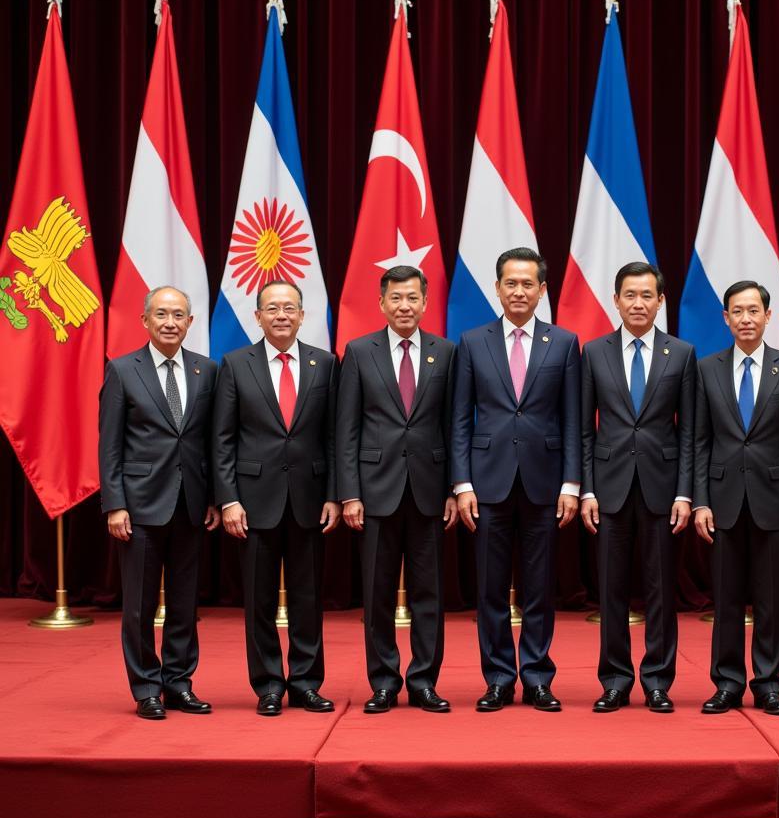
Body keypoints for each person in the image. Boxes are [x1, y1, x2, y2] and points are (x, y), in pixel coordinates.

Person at [452, 247, 581, 712]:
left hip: (546, 484)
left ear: (542, 290)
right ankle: (499, 679)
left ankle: (538, 676)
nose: (519, 291)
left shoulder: (564, 343)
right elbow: (460, 421)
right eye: (511, 283)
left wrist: (572, 484)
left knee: (539, 586)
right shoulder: (472, 341)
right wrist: (462, 484)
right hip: (487, 485)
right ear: (498, 287)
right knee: (489, 587)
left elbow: (572, 419)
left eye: (529, 284)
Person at [213, 280, 340, 716]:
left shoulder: (325, 364)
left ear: (303, 315)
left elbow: (334, 436)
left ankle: (306, 683)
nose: (281, 315)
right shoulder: (234, 364)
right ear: (258, 316)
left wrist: (335, 495)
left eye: (290, 308)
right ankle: (267, 684)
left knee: (307, 600)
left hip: (309, 499)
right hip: (253, 501)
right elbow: (222, 439)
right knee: (259, 601)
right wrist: (228, 498)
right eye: (272, 308)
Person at [338, 266, 458, 713]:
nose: (404, 306)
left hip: (429, 491)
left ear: (425, 304)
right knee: (378, 593)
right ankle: (384, 682)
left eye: (413, 298)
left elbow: (452, 425)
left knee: (430, 593)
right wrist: (350, 493)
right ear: (382, 303)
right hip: (375, 493)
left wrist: (453, 487)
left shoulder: (446, 353)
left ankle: (424, 681)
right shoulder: (358, 351)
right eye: (396, 298)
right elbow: (346, 429)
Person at [99, 286, 220, 720]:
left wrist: (211, 497)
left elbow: (209, 442)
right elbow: (109, 445)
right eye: (162, 315)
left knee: (185, 604)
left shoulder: (206, 371)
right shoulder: (122, 370)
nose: (170, 322)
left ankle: (178, 683)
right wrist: (115, 504)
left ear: (190, 323)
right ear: (145, 320)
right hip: (139, 506)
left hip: (190, 505)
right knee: (139, 606)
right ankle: (146, 688)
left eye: (179, 315)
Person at [580, 262, 695, 714]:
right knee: (610, 590)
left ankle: (658, 681)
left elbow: (689, 432)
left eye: (647, 295)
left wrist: (685, 493)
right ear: (616, 300)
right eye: (630, 295)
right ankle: (614, 680)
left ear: (660, 300)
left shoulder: (680, 354)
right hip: (608, 490)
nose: (638, 303)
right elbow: (584, 430)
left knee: (660, 588)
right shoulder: (594, 352)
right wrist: (586, 489)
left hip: (663, 489)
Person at [693, 280, 779, 716]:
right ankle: (726, 683)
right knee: (724, 600)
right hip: (721, 500)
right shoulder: (707, 369)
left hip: (774, 500)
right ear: (725, 318)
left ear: (767, 316)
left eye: (753, 311)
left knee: (769, 598)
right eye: (736, 312)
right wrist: (700, 500)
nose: (745, 319)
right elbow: (699, 441)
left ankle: (768, 684)